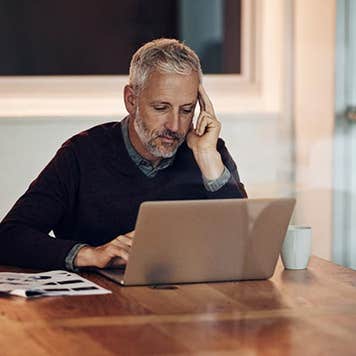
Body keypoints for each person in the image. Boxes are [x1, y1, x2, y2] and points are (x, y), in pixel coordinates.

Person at [0, 38, 247, 271]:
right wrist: (91, 254)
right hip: (100, 307)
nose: (175, 125)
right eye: (161, 108)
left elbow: (246, 245)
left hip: (187, 302)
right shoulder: (81, 155)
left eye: (186, 110)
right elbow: (10, 236)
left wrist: (208, 159)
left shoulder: (208, 151)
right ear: (131, 100)